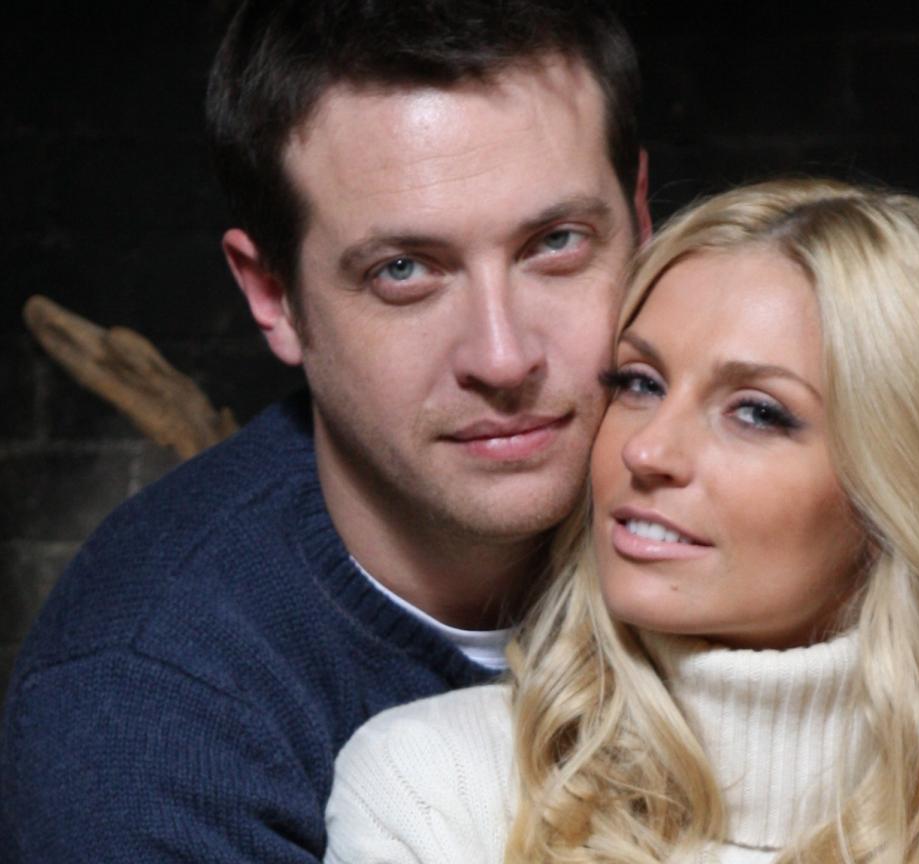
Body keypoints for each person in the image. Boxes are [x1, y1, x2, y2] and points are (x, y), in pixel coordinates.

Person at [325, 179, 919, 864]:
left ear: (906, 484)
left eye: (756, 411)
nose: (647, 449)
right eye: (639, 383)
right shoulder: (436, 789)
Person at [0, 1, 649, 862]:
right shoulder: (143, 710)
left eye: (556, 242)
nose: (503, 357)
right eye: (403, 270)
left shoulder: (774, 521)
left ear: (641, 220)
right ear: (273, 295)